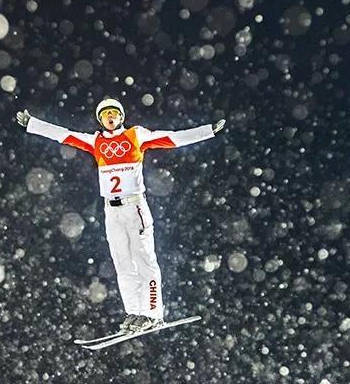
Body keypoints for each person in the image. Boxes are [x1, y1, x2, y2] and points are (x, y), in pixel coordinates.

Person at [16, 98, 226, 333]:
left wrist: (208, 131)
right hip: (111, 210)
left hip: (134, 207)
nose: (110, 117)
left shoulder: (136, 136)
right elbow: (64, 135)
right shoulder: (96, 142)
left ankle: (153, 313)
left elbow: (173, 138)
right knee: (122, 262)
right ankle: (135, 312)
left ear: (121, 117)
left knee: (144, 259)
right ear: (100, 120)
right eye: (105, 115)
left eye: (114, 113)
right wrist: (32, 125)